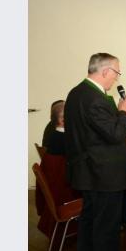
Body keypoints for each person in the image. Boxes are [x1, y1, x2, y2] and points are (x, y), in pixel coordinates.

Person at [64, 52, 126, 251]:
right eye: (117, 73)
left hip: (88, 172)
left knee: (89, 223)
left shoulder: (76, 93)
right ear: (105, 71)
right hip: (104, 174)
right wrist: (124, 111)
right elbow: (115, 134)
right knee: (107, 226)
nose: (117, 79)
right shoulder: (95, 98)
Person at [36, 100, 79, 240]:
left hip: (57, 190)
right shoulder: (66, 140)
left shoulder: (54, 135)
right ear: (62, 120)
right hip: (65, 193)